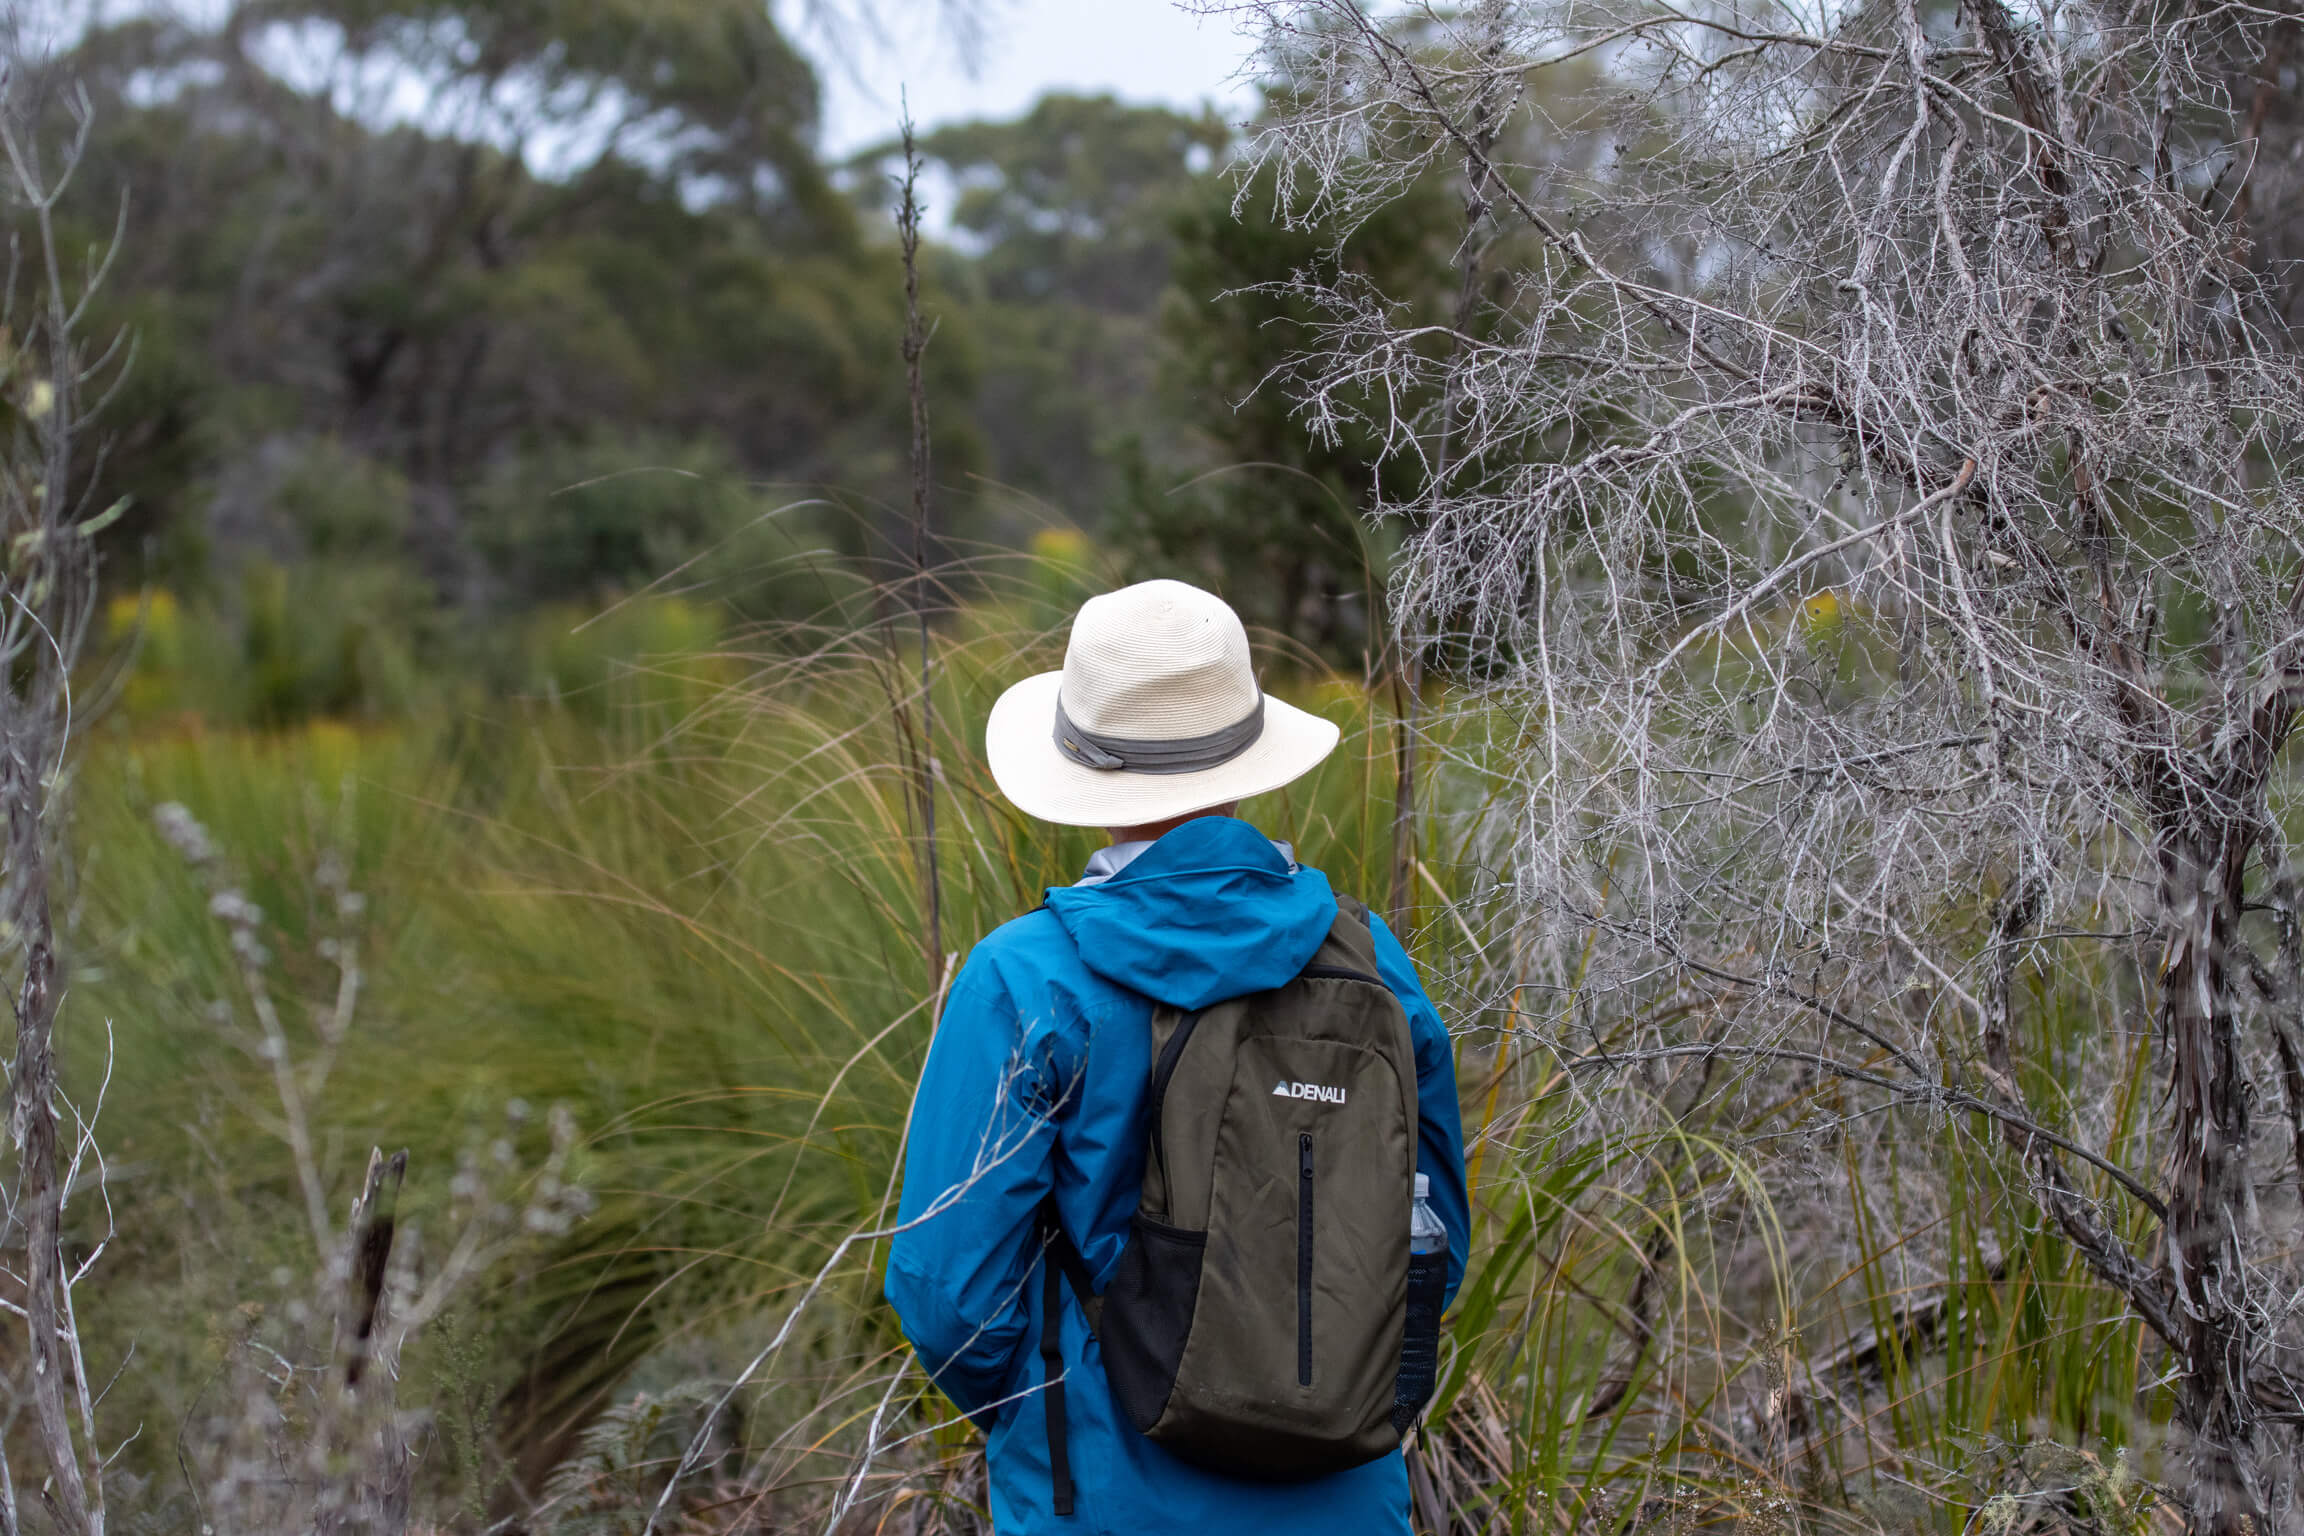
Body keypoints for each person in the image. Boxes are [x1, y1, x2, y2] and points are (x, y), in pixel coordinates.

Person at [885, 578, 1469, 1535]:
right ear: (1243, 758)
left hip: (1104, 1497)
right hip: (1350, 1500)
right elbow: (1434, 1239)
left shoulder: (1026, 979)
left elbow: (948, 1295)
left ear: (1085, 773)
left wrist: (1050, 1416)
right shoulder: (1373, 962)